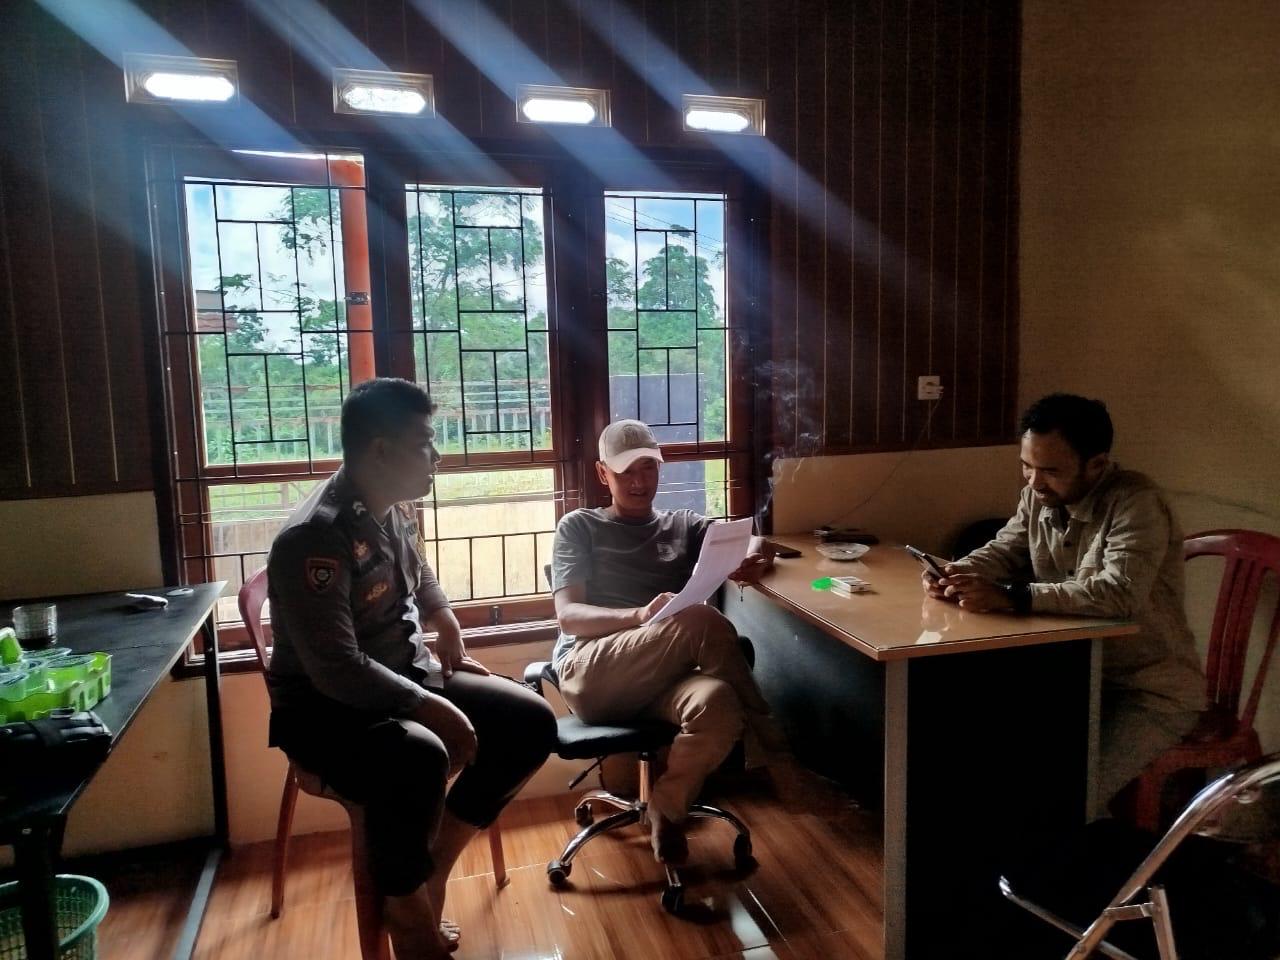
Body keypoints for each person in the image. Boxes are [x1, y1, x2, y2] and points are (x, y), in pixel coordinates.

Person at [266, 378, 556, 960]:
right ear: (380, 451)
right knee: (419, 755)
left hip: (403, 673)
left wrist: (442, 615)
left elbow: (418, 569)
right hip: (328, 710)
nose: (437, 455)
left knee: (530, 720)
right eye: (425, 442)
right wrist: (429, 706)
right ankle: (407, 915)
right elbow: (336, 669)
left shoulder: (389, 509)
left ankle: (432, 870)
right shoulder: (315, 538)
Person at [923, 393, 1205, 812]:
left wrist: (1013, 597)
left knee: (1068, 797)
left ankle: (1092, 848)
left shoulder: (1136, 502)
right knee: (986, 752)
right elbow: (1005, 549)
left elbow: (1117, 593)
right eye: (1027, 466)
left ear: (1097, 464)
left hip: (1146, 691)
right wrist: (955, 572)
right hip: (1071, 674)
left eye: (1051, 470)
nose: (1034, 482)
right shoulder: (1039, 495)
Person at [550, 419, 776, 864]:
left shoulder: (683, 525)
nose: (639, 482)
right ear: (603, 474)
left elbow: (754, 540)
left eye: (648, 469)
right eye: (626, 471)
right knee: (698, 620)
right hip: (592, 671)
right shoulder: (579, 527)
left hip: (661, 677)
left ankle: (667, 807)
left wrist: (753, 556)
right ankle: (777, 751)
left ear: (660, 467)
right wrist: (638, 615)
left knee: (718, 701)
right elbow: (568, 616)